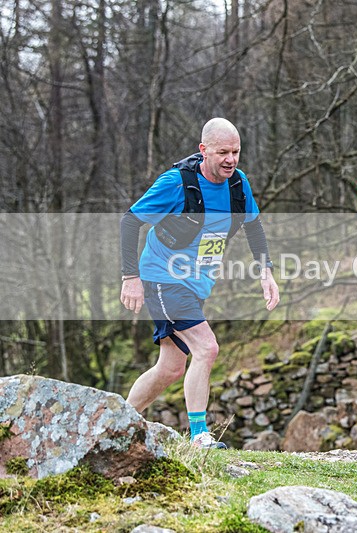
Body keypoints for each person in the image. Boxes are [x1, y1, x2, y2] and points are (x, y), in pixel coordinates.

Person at [119, 118, 279, 449]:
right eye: (223, 152)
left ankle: (118, 421)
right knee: (207, 348)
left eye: (236, 152)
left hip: (195, 285)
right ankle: (199, 436)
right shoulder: (176, 184)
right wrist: (130, 277)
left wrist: (266, 271)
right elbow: (130, 221)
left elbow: (254, 226)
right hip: (162, 278)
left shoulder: (238, 184)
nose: (231, 160)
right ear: (203, 150)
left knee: (170, 368)